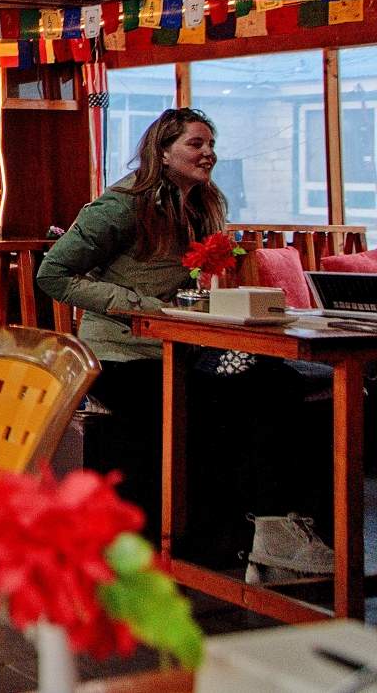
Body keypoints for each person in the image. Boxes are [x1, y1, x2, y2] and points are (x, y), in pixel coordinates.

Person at [38, 107, 332, 572]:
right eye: (196, 144)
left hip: (180, 348)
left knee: (278, 381)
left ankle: (273, 528)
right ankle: (250, 535)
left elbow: (188, 281)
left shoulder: (204, 204)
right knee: (225, 401)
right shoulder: (120, 206)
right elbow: (53, 273)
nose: (208, 153)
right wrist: (135, 304)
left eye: (210, 144)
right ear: (163, 152)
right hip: (119, 357)